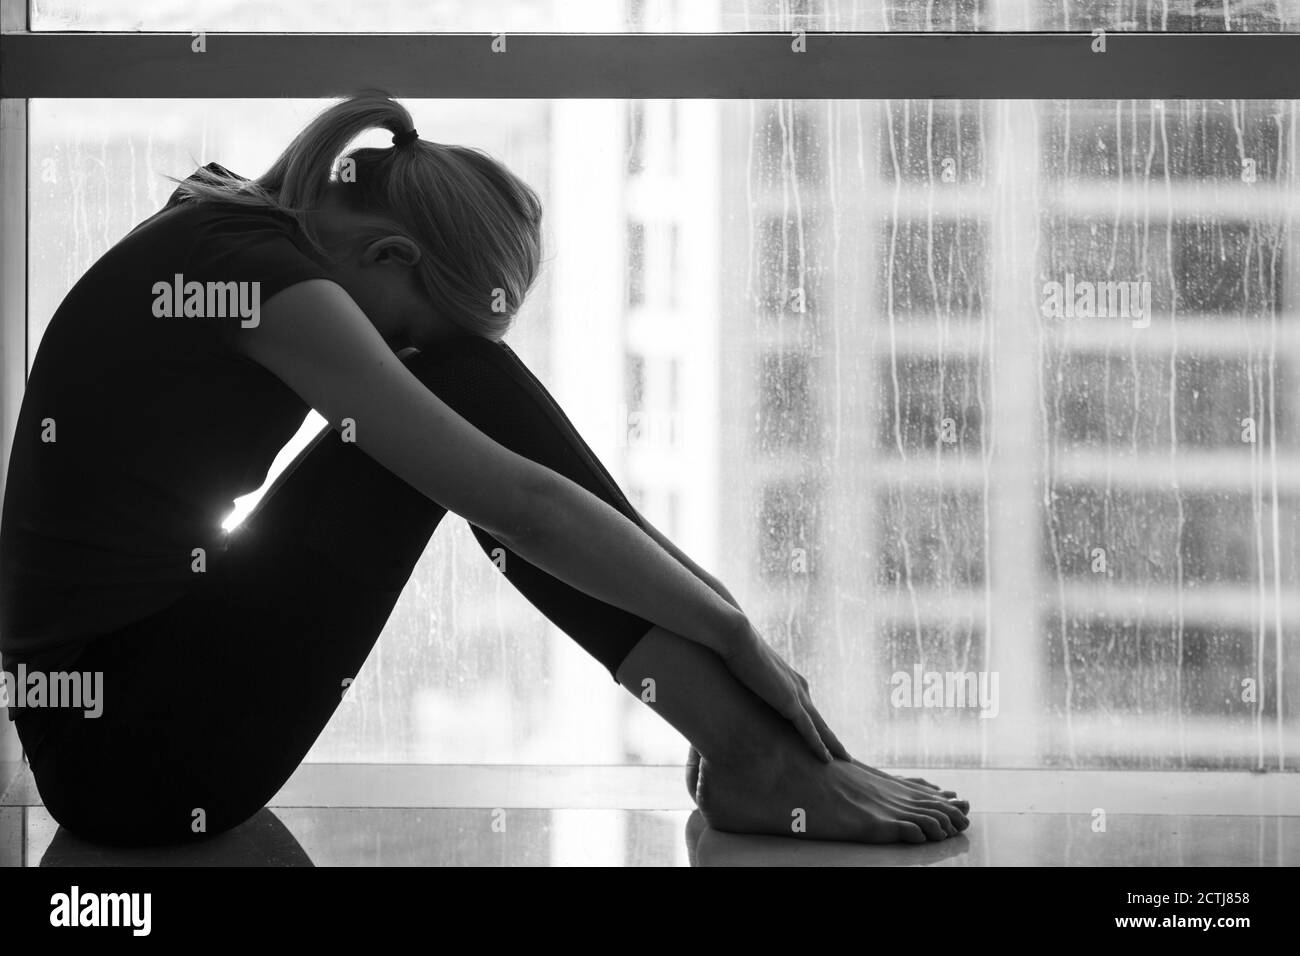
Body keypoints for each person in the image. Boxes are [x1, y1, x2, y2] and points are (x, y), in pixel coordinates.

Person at [0, 91, 969, 847]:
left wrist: (724, 619)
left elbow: (536, 496)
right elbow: (524, 503)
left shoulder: (223, 221)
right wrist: (732, 628)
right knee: (468, 382)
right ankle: (752, 751)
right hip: (135, 759)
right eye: (406, 328)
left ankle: (750, 749)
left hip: (119, 718)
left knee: (469, 384)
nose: (397, 355)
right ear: (389, 251)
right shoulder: (262, 277)